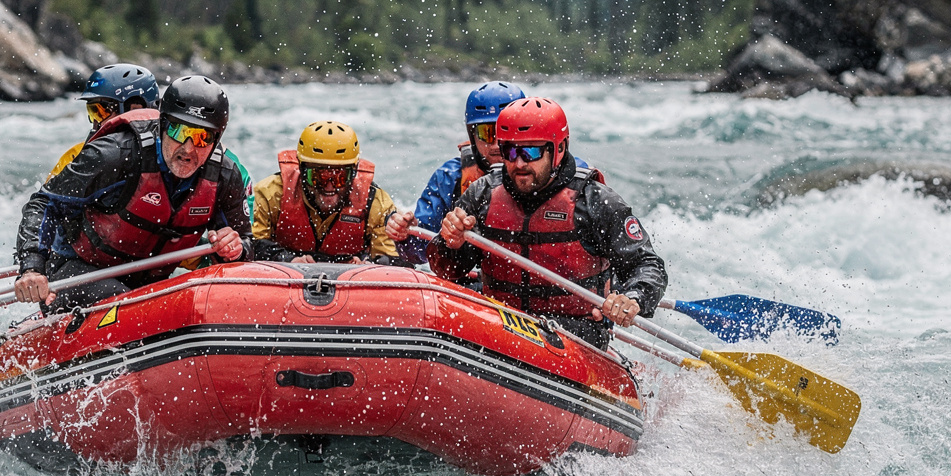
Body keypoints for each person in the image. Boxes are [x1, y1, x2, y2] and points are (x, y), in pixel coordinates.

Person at [429, 96, 666, 349]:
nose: (519, 163)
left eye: (530, 152)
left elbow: (647, 265)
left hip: (574, 332)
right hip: (499, 321)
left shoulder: (594, 201)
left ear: (558, 149)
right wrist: (450, 244)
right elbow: (447, 270)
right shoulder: (482, 194)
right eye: (510, 151)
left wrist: (633, 297)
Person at [14, 75, 249, 311]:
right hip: (79, 272)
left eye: (202, 137)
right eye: (178, 130)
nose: (188, 149)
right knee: (125, 302)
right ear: (162, 125)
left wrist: (235, 248)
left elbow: (246, 243)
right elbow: (44, 204)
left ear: (216, 139)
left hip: (148, 284)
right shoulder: (115, 155)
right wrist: (32, 267)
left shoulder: (224, 176)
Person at [387, 81, 601, 262]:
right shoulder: (450, 177)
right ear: (472, 136)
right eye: (486, 133)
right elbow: (420, 253)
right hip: (482, 285)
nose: (497, 144)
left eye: (505, 132)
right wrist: (407, 235)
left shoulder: (571, 177)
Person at [250, 120, 405, 265]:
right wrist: (288, 259)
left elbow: (394, 261)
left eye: (340, 178)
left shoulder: (376, 203)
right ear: (302, 170)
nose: (329, 187)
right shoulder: (270, 193)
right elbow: (252, 245)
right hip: (287, 274)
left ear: (353, 173)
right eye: (318, 177)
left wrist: (369, 265)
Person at [48, 63, 162, 178]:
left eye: (102, 111)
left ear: (134, 109)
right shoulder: (75, 157)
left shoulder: (168, 153)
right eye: (93, 111)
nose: (97, 123)